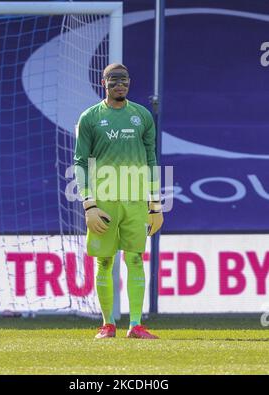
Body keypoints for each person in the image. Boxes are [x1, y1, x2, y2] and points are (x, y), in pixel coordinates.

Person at [74, 63, 163, 339]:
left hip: (135, 202)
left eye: (123, 79)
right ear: (104, 83)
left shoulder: (142, 116)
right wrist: (88, 204)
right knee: (104, 262)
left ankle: (135, 325)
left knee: (135, 259)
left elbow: (151, 160)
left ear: (129, 82)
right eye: (114, 80)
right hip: (104, 202)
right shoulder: (90, 118)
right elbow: (80, 163)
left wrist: (155, 205)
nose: (119, 84)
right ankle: (107, 324)